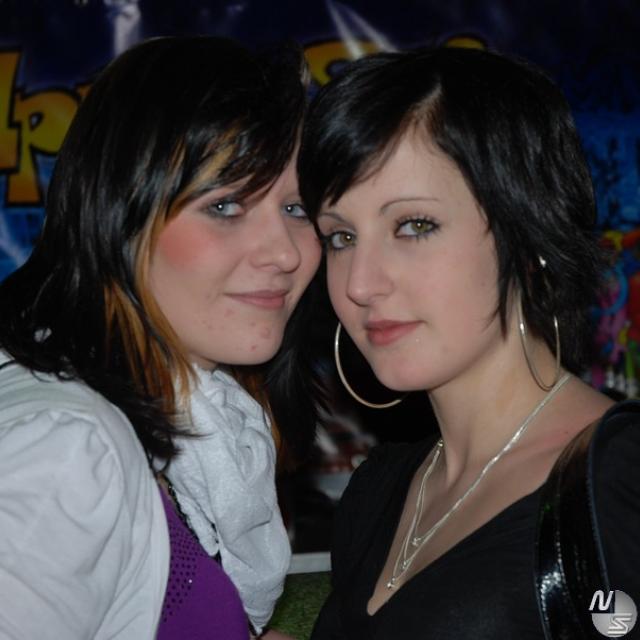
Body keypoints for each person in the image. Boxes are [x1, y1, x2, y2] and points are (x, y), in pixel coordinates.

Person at [297, 46, 640, 638]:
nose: (360, 284)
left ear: (526, 231)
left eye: (413, 225)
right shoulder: (379, 489)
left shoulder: (616, 482)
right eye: (341, 237)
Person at [0, 36, 322, 639]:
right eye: (226, 206)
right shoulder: (67, 450)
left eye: (297, 208)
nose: (284, 253)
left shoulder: (186, 414)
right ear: (121, 211)